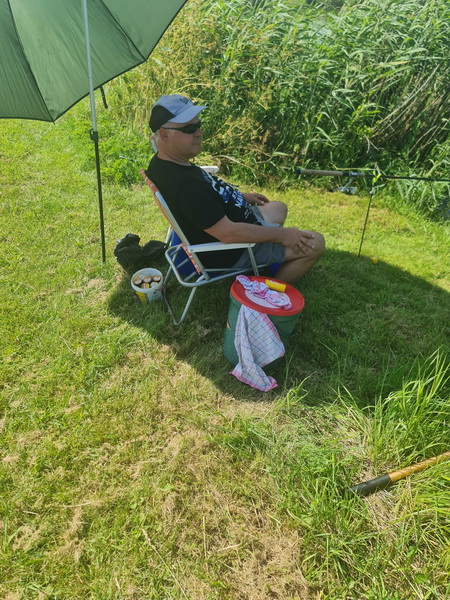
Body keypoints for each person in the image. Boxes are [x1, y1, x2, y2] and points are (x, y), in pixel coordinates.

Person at [146, 94, 325, 284]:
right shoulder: (185, 186)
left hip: (235, 220)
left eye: (198, 125)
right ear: (164, 135)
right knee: (316, 243)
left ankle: (271, 257)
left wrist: (241, 196)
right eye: (189, 129)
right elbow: (228, 233)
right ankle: (265, 293)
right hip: (235, 250)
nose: (199, 133)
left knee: (279, 207)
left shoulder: (167, 161)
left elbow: (207, 197)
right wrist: (283, 235)